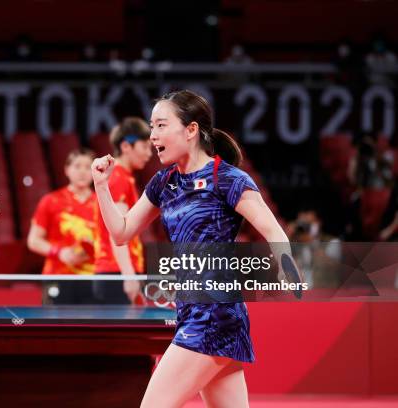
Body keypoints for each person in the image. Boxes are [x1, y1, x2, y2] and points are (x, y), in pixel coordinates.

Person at [92, 90, 298, 407]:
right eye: (151, 126)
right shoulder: (163, 183)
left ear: (190, 130)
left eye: (161, 125)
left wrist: (288, 269)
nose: (153, 135)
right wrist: (102, 186)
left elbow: (272, 230)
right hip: (190, 312)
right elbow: (121, 232)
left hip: (214, 315)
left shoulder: (227, 179)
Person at [93, 117, 152, 304]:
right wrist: (129, 275)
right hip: (116, 272)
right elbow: (117, 231)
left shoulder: (123, 176)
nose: (149, 154)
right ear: (126, 146)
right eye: (144, 147)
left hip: (117, 271)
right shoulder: (117, 177)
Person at [27, 148, 97, 304]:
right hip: (58, 276)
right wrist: (60, 252)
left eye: (87, 167)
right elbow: (33, 241)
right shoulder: (51, 200)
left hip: (93, 278)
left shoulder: (103, 204)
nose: (82, 172)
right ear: (67, 170)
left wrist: (94, 249)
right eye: (77, 166)